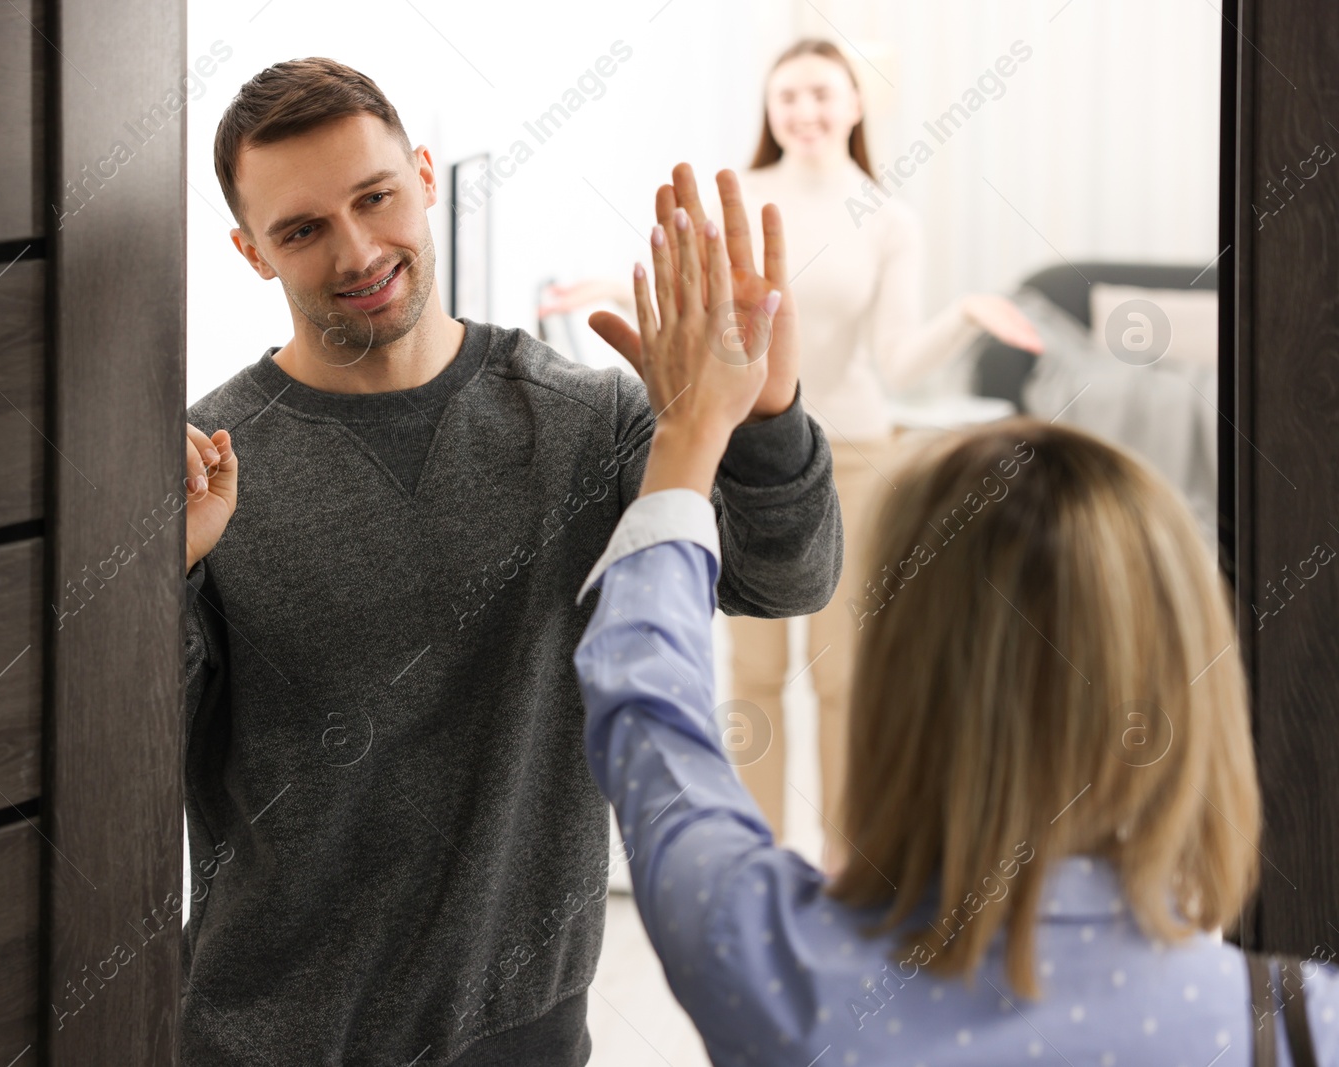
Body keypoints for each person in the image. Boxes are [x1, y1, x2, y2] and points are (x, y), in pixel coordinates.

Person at [179, 57, 842, 1065]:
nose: (358, 249)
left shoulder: (588, 422)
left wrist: (763, 415)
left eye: (376, 197)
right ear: (252, 252)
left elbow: (783, 577)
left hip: (517, 1030)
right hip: (264, 1037)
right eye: (304, 229)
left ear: (427, 178)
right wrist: (167, 578)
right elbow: (130, 754)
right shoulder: (207, 469)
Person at [571, 250, 1339, 1062]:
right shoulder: (1299, 1029)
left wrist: (689, 439)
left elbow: (648, 711)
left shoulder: (774, 965)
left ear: (900, 681)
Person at [555, 39, 1044, 866]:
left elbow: (894, 360)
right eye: (789, 97)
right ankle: (756, 858)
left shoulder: (890, 220)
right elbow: (712, 307)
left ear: (855, 106)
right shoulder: (741, 198)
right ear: (770, 112)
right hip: (750, 453)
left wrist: (964, 314)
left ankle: (851, 868)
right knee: (752, 670)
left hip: (855, 450)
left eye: (822, 95)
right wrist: (616, 287)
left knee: (843, 674)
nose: (806, 112)